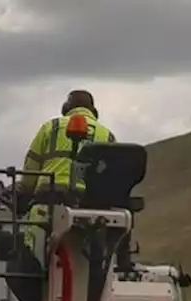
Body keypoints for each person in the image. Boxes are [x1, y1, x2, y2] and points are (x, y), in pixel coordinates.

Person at [16, 89, 116, 217]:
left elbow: (31, 167)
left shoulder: (51, 127)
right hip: (91, 200)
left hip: (50, 194)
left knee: (34, 230)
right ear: (94, 112)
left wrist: (24, 191)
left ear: (65, 109)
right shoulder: (108, 135)